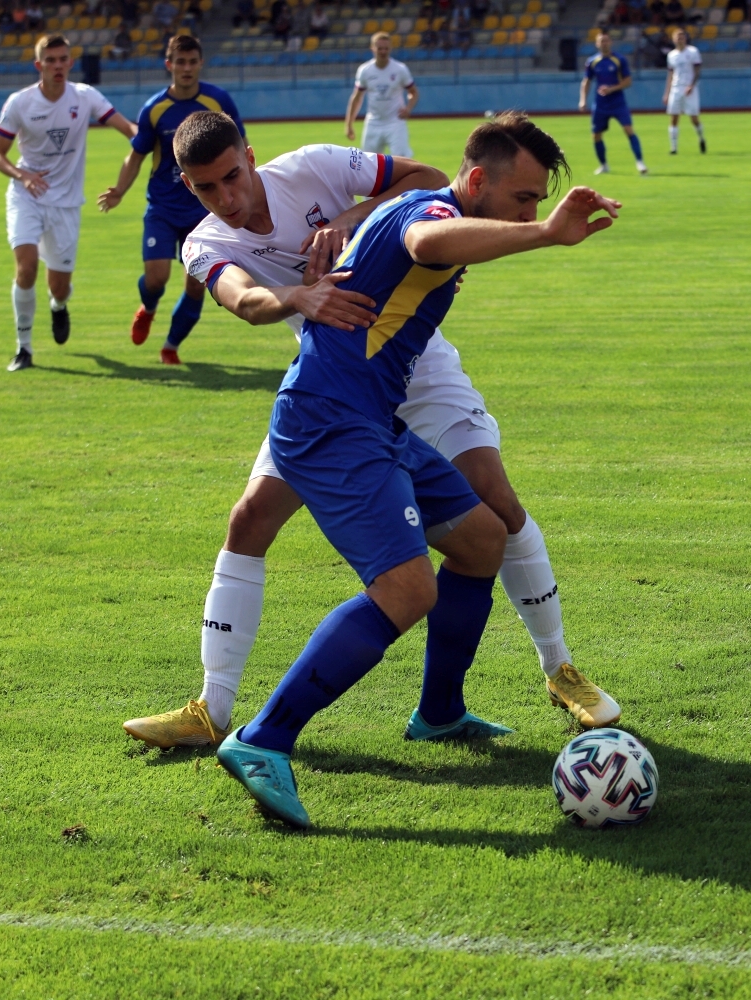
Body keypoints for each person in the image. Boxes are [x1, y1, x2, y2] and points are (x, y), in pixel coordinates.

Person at [124, 124, 625, 752]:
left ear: (251, 159)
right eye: (205, 188)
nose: (225, 197)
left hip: (411, 359)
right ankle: (213, 710)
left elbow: (424, 185)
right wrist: (300, 297)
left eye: (232, 176)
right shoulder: (203, 242)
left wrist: (353, 226)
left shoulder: (314, 166)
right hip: (338, 374)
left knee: (493, 506)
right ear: (188, 187)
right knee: (251, 520)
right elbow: (246, 300)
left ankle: (558, 670)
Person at [0, 34, 135, 372]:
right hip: (27, 195)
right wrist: (21, 175)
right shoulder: (19, 103)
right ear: (38, 65)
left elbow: (125, 125)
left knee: (60, 285)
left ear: (71, 62)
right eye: (50, 60)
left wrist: (150, 136)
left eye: (63, 59)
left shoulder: (84, 96)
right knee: (26, 268)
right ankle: (23, 348)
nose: (57, 66)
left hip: (66, 204)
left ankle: (59, 305)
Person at [97, 35, 244, 365]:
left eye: (192, 62)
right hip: (163, 207)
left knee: (195, 288)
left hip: (204, 211)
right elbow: (135, 156)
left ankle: (171, 345)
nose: (186, 68)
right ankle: (148, 307)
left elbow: (240, 148)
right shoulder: (155, 108)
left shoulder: (218, 102)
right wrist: (119, 190)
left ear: (200, 63)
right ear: (169, 65)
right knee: (157, 277)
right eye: (180, 62)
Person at [579, 30, 647, 175]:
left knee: (628, 130)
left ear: (611, 42)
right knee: (596, 135)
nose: (604, 43)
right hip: (601, 104)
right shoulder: (592, 62)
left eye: (606, 40)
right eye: (601, 41)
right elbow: (587, 81)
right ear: (597, 44)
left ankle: (640, 162)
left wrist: (612, 89)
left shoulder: (619, 60)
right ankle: (603, 165)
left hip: (617, 102)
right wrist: (583, 100)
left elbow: (628, 81)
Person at [346, 32, 418, 157]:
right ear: (372, 48)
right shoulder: (365, 70)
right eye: (380, 48)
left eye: (386, 48)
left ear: (390, 49)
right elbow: (357, 98)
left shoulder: (400, 69)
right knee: (367, 163)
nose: (383, 52)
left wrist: (408, 109)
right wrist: (349, 124)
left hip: (395, 122)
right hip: (373, 122)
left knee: (402, 160)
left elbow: (413, 92)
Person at [664, 27, 705, 153]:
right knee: (674, 117)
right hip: (676, 88)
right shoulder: (671, 55)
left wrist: (691, 85)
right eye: (677, 37)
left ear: (685, 38)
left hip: (689, 89)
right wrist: (667, 92)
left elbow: (697, 70)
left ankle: (701, 137)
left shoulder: (693, 52)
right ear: (673, 39)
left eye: (682, 37)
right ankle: (674, 148)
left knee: (694, 118)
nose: (680, 39)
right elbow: (670, 74)